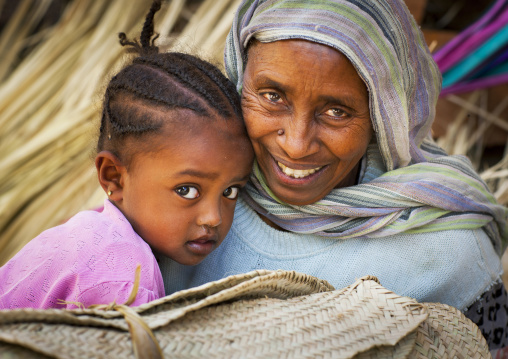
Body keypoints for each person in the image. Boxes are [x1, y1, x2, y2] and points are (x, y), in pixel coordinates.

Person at [156, 0, 508, 353]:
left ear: (383, 114)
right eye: (272, 96)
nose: (296, 145)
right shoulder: (179, 197)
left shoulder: (448, 252)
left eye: (336, 111)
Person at [0, 1, 253, 310]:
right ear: (114, 177)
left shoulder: (88, 228)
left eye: (230, 191)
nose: (213, 217)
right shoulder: (125, 282)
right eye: (187, 190)